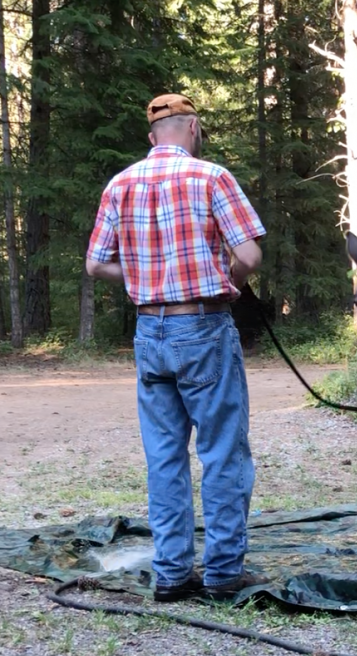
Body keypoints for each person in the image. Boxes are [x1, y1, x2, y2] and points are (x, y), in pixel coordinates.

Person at [85, 94, 267, 602]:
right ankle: (223, 572)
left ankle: (169, 574)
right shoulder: (211, 177)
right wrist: (222, 276)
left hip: (150, 333)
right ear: (194, 129)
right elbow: (249, 255)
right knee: (223, 451)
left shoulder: (120, 184)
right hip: (203, 327)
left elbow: (96, 264)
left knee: (164, 456)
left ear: (152, 138)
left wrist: (146, 277)